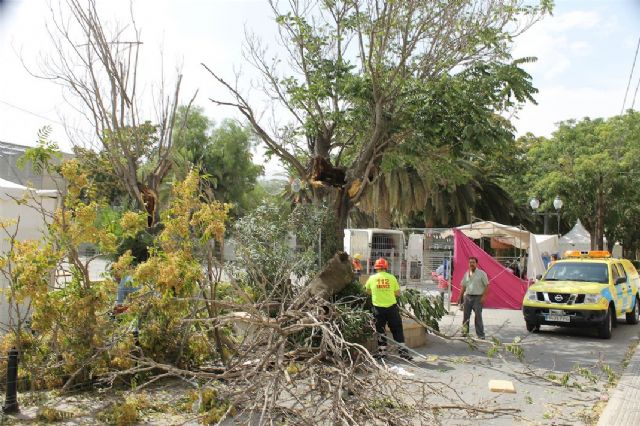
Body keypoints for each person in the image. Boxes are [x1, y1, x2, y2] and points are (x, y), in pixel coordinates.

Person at [365, 257, 412, 361]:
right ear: (386, 267)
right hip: (392, 308)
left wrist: (377, 293)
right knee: (397, 329)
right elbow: (397, 293)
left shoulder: (372, 278)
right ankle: (403, 352)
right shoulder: (392, 278)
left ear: (376, 268)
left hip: (378, 309)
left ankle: (382, 353)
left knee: (380, 330)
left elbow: (367, 291)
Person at [457, 257, 489, 339]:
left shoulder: (482, 273)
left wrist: (484, 297)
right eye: (470, 262)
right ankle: (464, 332)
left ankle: (481, 335)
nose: (471, 264)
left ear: (476, 264)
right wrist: (460, 297)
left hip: (478, 298)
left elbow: (487, 285)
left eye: (473, 262)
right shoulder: (466, 274)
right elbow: (463, 286)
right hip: (467, 297)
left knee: (478, 316)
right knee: (466, 316)